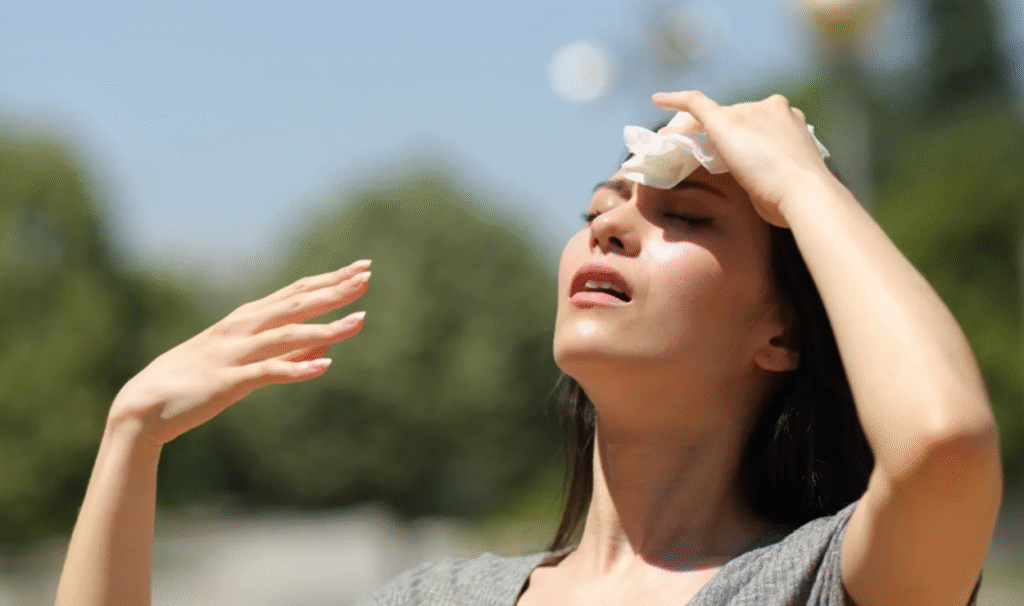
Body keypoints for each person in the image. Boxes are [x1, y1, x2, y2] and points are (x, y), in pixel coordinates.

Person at [54, 91, 1001, 606]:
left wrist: (799, 179)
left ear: (783, 330)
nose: (610, 230)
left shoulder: (820, 583)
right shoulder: (437, 601)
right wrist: (131, 438)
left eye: (684, 215)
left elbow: (942, 445)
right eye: (595, 210)